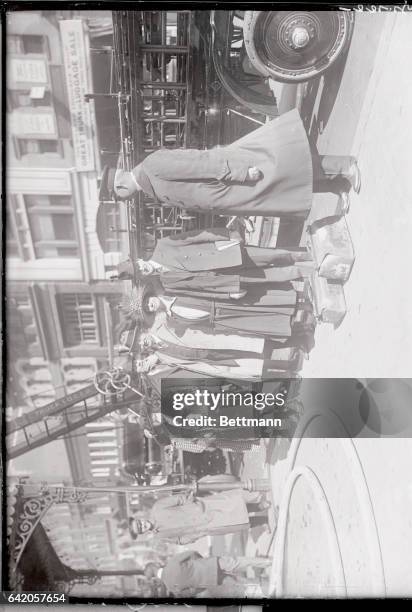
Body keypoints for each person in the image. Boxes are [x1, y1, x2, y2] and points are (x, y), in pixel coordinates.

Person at [98, 108, 361, 218]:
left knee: (287, 167)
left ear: (121, 187)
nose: (128, 199)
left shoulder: (152, 166)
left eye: (123, 197)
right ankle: (336, 185)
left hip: (231, 177)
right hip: (230, 193)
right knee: (284, 187)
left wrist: (240, 172)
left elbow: (200, 163)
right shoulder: (148, 183)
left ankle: (345, 167)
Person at [128, 487, 269, 545]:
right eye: (141, 529)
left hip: (201, 508)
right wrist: (196, 535)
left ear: (140, 518)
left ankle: (259, 506)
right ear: (143, 532)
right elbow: (179, 541)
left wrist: (193, 505)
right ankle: (263, 520)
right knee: (235, 523)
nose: (143, 525)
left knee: (231, 506)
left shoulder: (157, 507)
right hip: (204, 527)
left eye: (139, 523)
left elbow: (180, 499)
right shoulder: (159, 536)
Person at [160, 550, 272, 597]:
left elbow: (192, 591)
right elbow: (192, 553)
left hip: (210, 580)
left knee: (239, 583)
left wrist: (202, 585)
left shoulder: (172, 588)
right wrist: (201, 561)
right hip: (210, 564)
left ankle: (266, 587)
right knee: (236, 562)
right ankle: (266, 562)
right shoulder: (171, 563)